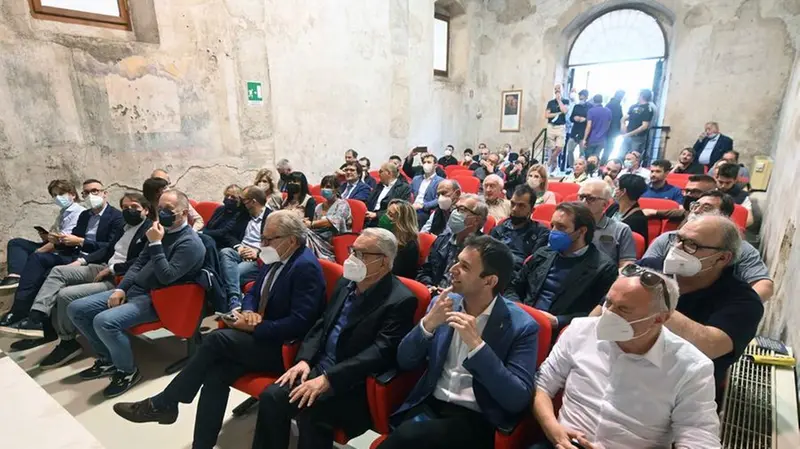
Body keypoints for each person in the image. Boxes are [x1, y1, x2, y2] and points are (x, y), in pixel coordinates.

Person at [112, 211, 326, 448]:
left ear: (292, 240)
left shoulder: (305, 267)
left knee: (216, 340)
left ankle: (165, 403)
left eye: (269, 239)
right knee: (215, 373)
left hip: (285, 350)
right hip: (262, 334)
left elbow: (301, 323)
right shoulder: (276, 255)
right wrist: (247, 310)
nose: (262, 244)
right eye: (262, 238)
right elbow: (253, 290)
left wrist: (256, 328)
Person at [245, 228, 417, 449]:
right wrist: (304, 360)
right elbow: (323, 323)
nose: (352, 259)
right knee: (272, 396)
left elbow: (379, 352)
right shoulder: (346, 283)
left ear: (383, 262)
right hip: (319, 367)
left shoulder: (400, 300)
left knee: (313, 416)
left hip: (353, 382)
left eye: (361, 254)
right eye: (352, 250)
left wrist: (329, 379)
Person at [379, 236, 540, 449]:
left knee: (407, 437)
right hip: (430, 403)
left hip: (476, 417)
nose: (452, 269)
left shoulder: (523, 326)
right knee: (410, 434)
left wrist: (477, 346)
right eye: (457, 261)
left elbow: (517, 398)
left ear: (489, 280)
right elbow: (405, 361)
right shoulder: (444, 303)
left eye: (464, 266)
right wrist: (427, 325)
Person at [533, 267, 720, 449]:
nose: (609, 314)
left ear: (659, 319)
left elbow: (699, 438)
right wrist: (553, 430)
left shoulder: (692, 368)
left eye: (623, 309)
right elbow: (542, 385)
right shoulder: (580, 331)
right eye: (608, 303)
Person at [67, 189, 206, 398]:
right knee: (76, 308)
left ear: (184, 213)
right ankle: (107, 359)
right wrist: (122, 288)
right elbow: (139, 263)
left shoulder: (190, 243)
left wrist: (156, 244)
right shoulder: (160, 232)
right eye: (160, 209)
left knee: (104, 322)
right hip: (135, 290)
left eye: (169, 210)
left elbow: (166, 276)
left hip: (159, 299)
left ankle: (127, 371)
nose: (163, 214)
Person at [4, 193, 153, 361]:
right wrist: (82, 261)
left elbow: (140, 261)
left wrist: (112, 268)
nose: (129, 211)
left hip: (118, 275)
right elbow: (107, 250)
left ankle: (67, 341)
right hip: (103, 266)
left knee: (64, 294)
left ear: (146, 210)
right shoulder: (123, 227)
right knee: (58, 271)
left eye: (134, 207)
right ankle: (36, 317)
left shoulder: (149, 230)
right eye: (125, 207)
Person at [633, 215, 763, 400]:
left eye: (691, 245)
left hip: (682, 393)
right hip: (627, 370)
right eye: (678, 239)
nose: (677, 248)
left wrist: (652, 300)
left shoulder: (743, 302)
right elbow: (598, 316)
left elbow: (709, 345)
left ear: (722, 258)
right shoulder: (649, 268)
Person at [0, 179, 124, 335]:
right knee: (38, 260)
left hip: (95, 260)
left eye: (95, 191)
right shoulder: (85, 215)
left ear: (104, 193)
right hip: (75, 254)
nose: (91, 195)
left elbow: (108, 247)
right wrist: (57, 241)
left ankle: (37, 321)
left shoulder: (117, 217)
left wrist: (81, 243)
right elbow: (73, 240)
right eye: (86, 193)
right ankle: (25, 314)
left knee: (48, 269)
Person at [505, 202, 616, 333]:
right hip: (522, 321)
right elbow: (513, 287)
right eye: (553, 226)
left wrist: (559, 321)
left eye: (561, 227)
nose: (553, 232)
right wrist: (518, 309)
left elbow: (598, 313)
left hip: (563, 333)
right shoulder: (543, 253)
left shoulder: (603, 268)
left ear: (581, 231)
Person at [645, 191, 774, 301]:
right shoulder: (668, 239)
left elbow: (764, 286)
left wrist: (733, 308)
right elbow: (645, 271)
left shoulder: (741, 249)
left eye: (707, 208)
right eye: (695, 205)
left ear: (724, 216)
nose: (697, 211)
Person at [1, 180, 85, 290]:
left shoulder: (78, 212)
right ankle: (15, 276)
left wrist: (39, 251)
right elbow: (57, 234)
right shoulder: (64, 212)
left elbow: (63, 239)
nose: (57, 198)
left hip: (66, 250)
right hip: (55, 245)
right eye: (54, 195)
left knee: (35, 256)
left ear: (73, 195)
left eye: (60, 194)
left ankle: (20, 281)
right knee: (16, 243)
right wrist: (47, 236)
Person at [417, 195, 488, 293]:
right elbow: (425, 271)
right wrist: (429, 286)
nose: (455, 213)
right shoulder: (442, 239)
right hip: (433, 293)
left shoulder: (483, 249)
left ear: (476, 220)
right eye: (455, 208)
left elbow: (480, 287)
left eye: (462, 210)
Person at [218, 186, 271, 311]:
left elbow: (276, 246)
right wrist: (239, 247)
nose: (241, 203)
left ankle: (233, 300)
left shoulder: (271, 218)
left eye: (244, 200)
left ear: (253, 201)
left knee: (234, 272)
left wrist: (257, 252)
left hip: (258, 259)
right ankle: (235, 300)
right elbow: (228, 234)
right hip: (240, 251)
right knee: (225, 252)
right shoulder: (244, 215)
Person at [490, 184, 550, 270]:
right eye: (513, 204)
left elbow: (532, 265)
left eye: (521, 206)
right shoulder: (499, 229)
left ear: (532, 210)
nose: (514, 209)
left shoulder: (541, 232)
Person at [579, 179, 636, 267]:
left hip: (606, 277)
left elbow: (626, 264)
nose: (583, 202)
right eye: (581, 197)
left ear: (605, 205)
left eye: (590, 198)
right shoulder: (569, 225)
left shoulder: (620, 230)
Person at [306, 175, 352, 261]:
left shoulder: (342, 205)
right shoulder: (319, 207)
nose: (324, 189)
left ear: (336, 189)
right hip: (319, 238)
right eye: (322, 187)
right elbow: (315, 228)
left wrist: (311, 224)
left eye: (328, 187)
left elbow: (332, 222)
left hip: (335, 241)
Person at [643, 174, 718, 225]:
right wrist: (654, 212)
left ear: (711, 194)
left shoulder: (714, 221)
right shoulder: (692, 211)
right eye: (687, 191)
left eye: (695, 191)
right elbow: (683, 212)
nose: (688, 195)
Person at [201, 184, 250, 251]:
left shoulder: (241, 215)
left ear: (239, 200)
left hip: (224, 246)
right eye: (227, 195)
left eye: (233, 197)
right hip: (209, 240)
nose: (229, 198)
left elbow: (223, 233)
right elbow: (208, 226)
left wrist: (202, 233)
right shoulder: (220, 209)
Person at [380, 199, 420, 278]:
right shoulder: (386, 236)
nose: (386, 217)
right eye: (387, 213)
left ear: (401, 221)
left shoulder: (409, 245)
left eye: (391, 215)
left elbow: (395, 273)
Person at [604, 174, 649, 243]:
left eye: (617, 187)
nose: (615, 189)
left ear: (623, 192)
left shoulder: (637, 219)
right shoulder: (614, 207)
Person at [366, 162, 413, 227]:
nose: (378, 174)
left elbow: (401, 208)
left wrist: (377, 215)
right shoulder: (379, 185)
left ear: (388, 173)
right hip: (370, 218)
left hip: (388, 221)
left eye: (381, 171)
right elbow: (369, 201)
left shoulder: (404, 188)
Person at [410, 153, 445, 227]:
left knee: (414, 219)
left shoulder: (440, 181)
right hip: (412, 208)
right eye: (424, 162)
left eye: (429, 162)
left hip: (426, 210)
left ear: (435, 165)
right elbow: (409, 193)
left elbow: (438, 200)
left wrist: (422, 205)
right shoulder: (416, 179)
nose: (426, 164)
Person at [715, 162, 753, 227]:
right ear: (716, 178)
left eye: (728, 183)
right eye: (720, 182)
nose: (723, 186)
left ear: (735, 180)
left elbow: (749, 220)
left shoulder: (742, 196)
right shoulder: (710, 191)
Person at [620, 89, 655, 155]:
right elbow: (624, 118)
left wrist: (630, 134)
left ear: (642, 95)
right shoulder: (633, 106)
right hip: (628, 135)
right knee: (621, 155)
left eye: (638, 94)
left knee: (633, 156)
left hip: (638, 138)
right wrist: (624, 130)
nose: (637, 96)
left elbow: (644, 126)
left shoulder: (648, 108)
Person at [544, 84, 570, 173]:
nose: (557, 90)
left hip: (561, 127)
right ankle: (554, 168)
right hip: (551, 126)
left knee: (559, 148)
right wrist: (557, 114)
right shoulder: (550, 103)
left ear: (562, 90)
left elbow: (565, 111)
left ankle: (549, 163)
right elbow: (547, 115)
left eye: (559, 89)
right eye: (555, 89)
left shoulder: (566, 101)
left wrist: (559, 101)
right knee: (552, 149)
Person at [582, 94, 612, 161]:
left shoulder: (591, 111)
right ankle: (594, 170)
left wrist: (584, 139)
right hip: (602, 139)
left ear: (594, 101)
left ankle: (588, 170)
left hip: (592, 139)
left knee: (588, 158)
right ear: (602, 100)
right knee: (596, 158)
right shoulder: (608, 111)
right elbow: (608, 125)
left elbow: (588, 126)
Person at [565, 89, 590, 169]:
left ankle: (581, 167)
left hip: (584, 132)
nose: (580, 98)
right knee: (570, 149)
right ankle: (571, 166)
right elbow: (571, 118)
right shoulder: (576, 106)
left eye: (582, 97)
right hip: (574, 131)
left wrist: (584, 119)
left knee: (582, 152)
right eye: (579, 97)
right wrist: (575, 118)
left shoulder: (589, 107)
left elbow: (590, 120)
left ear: (586, 97)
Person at [604, 90, 625, 164]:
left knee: (607, 148)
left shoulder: (609, 104)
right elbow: (618, 118)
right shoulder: (616, 105)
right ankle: (603, 164)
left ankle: (603, 163)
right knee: (608, 149)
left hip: (608, 130)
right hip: (612, 130)